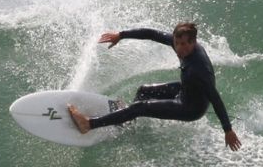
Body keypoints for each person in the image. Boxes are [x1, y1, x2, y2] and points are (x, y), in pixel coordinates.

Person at [68, 22, 242, 151]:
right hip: (185, 90)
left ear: (193, 43)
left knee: (140, 106)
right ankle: (128, 120)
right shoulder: (178, 43)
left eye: (184, 45)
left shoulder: (199, 69)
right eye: (176, 43)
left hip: (191, 108)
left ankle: (89, 124)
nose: (179, 48)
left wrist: (228, 129)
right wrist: (121, 35)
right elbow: (151, 33)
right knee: (143, 91)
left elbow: (215, 98)